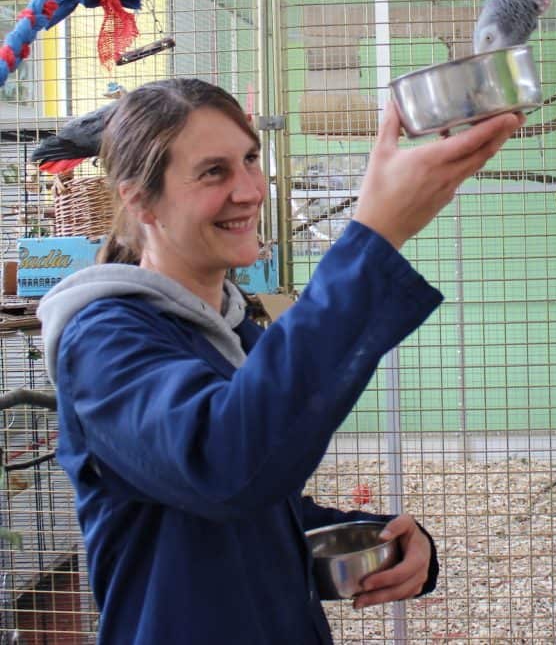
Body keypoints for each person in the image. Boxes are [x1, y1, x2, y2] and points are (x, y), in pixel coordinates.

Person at [37, 77, 523, 644]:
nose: (249, 190)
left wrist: (382, 539)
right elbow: (224, 465)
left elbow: (263, 506)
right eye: (213, 172)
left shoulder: (231, 328)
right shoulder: (104, 340)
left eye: (250, 160)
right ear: (139, 199)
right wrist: (374, 238)